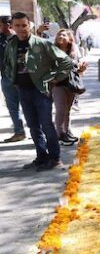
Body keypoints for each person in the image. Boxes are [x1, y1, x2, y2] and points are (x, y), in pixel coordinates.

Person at [1, 12, 74, 170]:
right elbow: (6, 64)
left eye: (24, 25)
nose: (21, 28)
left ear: (29, 26)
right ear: (12, 26)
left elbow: (66, 62)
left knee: (46, 125)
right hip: (23, 90)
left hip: (41, 91)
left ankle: (54, 159)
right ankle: (41, 156)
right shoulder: (11, 45)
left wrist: (53, 78)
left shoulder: (42, 43)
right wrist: (12, 79)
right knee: (33, 126)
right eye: (17, 25)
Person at [52, 29, 87, 146]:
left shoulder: (74, 52)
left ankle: (67, 131)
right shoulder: (52, 51)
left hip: (71, 84)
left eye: (63, 35)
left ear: (70, 39)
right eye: (59, 34)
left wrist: (81, 69)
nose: (60, 36)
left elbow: (76, 68)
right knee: (61, 109)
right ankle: (59, 134)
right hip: (57, 84)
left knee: (68, 109)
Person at [0, 15, 25, 143]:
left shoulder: (20, 38)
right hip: (6, 78)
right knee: (12, 106)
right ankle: (19, 131)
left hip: (23, 78)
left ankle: (39, 132)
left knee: (29, 105)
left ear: (8, 25)